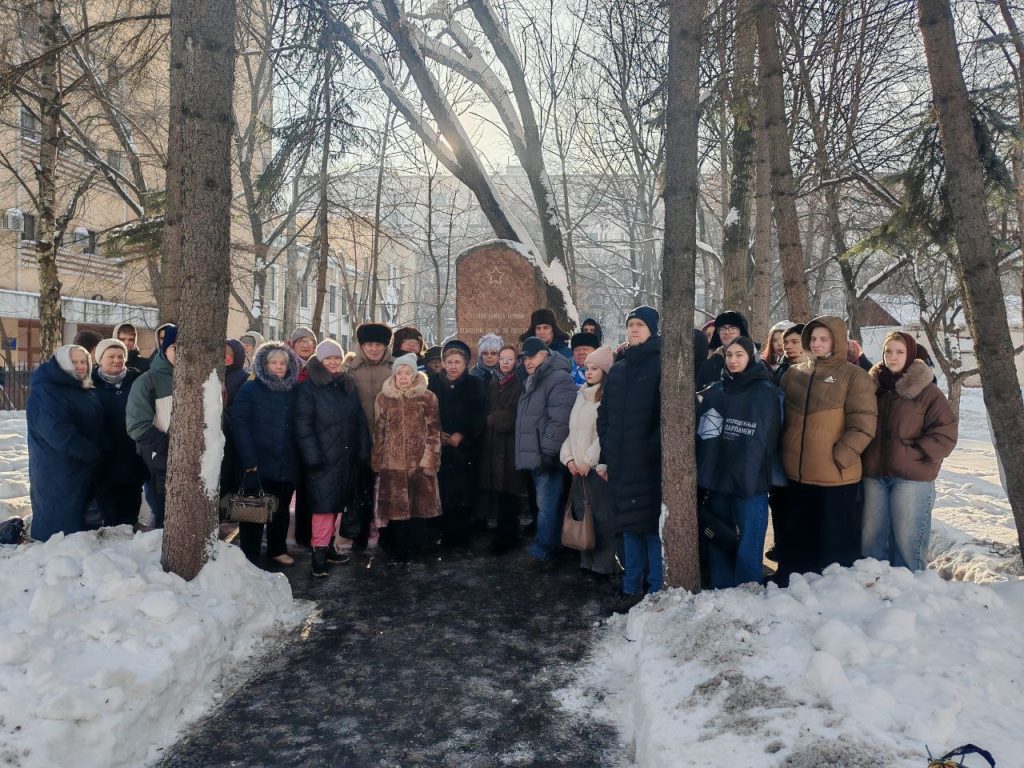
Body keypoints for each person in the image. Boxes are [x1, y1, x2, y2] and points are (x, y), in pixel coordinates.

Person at [777, 316, 877, 583]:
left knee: (835, 548)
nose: (817, 344)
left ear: (838, 341)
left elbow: (864, 425)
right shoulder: (795, 373)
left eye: (824, 339)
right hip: (797, 475)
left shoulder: (855, 377)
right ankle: (792, 583)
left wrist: (839, 457)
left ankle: (834, 592)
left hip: (836, 478)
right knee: (800, 540)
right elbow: (780, 418)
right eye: (813, 339)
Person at [861, 332, 957, 571]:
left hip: (912, 479)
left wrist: (915, 453)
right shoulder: (872, 388)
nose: (892, 357)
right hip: (874, 476)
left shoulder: (927, 392)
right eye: (888, 351)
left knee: (907, 543)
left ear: (911, 355)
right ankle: (871, 585)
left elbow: (945, 434)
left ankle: (910, 588)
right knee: (871, 541)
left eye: (899, 352)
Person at [696, 337, 781, 588]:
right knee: (719, 536)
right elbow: (705, 434)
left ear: (751, 357)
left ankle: (747, 587)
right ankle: (722, 586)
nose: (733, 360)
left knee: (750, 537)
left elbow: (770, 438)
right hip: (718, 478)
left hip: (751, 479)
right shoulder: (716, 391)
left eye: (739, 355)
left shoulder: (766, 392)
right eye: (729, 355)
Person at [598, 306, 663, 604]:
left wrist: (650, 449)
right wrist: (608, 447)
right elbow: (604, 415)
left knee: (651, 528)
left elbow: (667, 417)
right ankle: (631, 587)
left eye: (640, 324)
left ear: (652, 329)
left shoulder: (661, 364)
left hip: (648, 464)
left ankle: (656, 590)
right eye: (631, 324)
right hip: (621, 462)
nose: (634, 329)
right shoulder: (619, 369)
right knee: (628, 527)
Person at [294, 339, 370, 577]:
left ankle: (327, 547)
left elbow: (359, 419)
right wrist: (313, 456)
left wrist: (363, 449)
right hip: (322, 459)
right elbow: (303, 425)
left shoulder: (347, 384)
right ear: (320, 360)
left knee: (336, 503)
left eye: (337, 357)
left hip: (346, 457)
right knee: (323, 507)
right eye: (329, 358)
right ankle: (318, 554)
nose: (334, 362)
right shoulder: (309, 388)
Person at [230, 341, 302, 567]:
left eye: (283, 363)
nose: (279, 367)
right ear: (264, 364)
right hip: (258, 461)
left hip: (287, 460)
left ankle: (277, 549)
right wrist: (248, 458)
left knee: (280, 510)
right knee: (254, 509)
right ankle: (249, 554)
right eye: (273, 363)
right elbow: (239, 423)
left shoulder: (294, 389)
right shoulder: (250, 388)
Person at [26, 344, 104, 541]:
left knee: (76, 517)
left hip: (80, 464)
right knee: (59, 520)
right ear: (61, 364)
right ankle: (55, 553)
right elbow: (58, 432)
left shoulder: (80, 387)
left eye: (83, 361)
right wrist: (92, 453)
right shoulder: (46, 390)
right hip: (57, 467)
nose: (80, 366)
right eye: (74, 362)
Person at [372, 352, 442, 561]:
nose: (403, 377)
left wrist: (429, 460)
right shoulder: (383, 397)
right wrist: (378, 459)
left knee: (419, 508)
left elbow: (433, 432)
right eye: (399, 373)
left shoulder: (427, 397)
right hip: (392, 464)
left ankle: (417, 549)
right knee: (396, 509)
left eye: (408, 372)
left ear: (414, 375)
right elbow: (379, 432)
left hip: (419, 462)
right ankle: (398, 549)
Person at [515, 336, 577, 567]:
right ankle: (551, 546)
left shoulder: (558, 378)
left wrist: (548, 450)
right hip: (537, 453)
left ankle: (543, 550)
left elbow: (560, 419)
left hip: (545, 455)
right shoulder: (536, 378)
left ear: (545, 354)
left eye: (532, 357)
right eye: (524, 358)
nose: (527, 362)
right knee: (545, 505)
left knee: (547, 506)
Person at [561, 345, 617, 579]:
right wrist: (568, 459)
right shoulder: (580, 395)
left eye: (595, 368)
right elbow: (572, 432)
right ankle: (586, 560)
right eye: (587, 368)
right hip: (577, 469)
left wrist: (588, 461)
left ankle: (603, 564)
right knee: (581, 513)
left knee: (601, 517)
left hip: (595, 469)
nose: (589, 372)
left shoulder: (607, 398)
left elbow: (604, 435)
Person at [429, 339, 488, 548]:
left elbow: (480, 414)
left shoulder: (475, 384)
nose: (453, 366)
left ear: (465, 364)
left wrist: (462, 434)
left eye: (457, 362)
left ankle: (462, 536)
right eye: (449, 362)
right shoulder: (433, 383)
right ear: (443, 363)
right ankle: (443, 534)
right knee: (442, 490)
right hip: (440, 446)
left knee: (463, 492)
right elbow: (426, 411)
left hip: (465, 448)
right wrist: (437, 433)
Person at [344, 322, 394, 549]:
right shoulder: (350, 369)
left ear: (385, 346)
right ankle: (360, 536)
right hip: (360, 439)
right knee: (362, 489)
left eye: (379, 345)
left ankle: (388, 536)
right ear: (361, 346)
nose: (374, 349)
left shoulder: (395, 367)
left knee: (387, 490)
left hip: (389, 439)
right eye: (369, 344)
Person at [126, 324, 178, 528]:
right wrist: (171, 449)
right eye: (175, 347)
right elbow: (137, 425)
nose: (181, 353)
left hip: (196, 464)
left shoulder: (202, 379)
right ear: (165, 349)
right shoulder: (148, 381)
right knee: (165, 523)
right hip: (161, 463)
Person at [91, 339, 147, 528]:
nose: (117, 360)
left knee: (131, 503)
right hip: (104, 455)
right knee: (107, 507)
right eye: (111, 356)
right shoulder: (89, 384)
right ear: (100, 359)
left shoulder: (137, 380)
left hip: (133, 453)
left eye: (120, 356)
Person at [480, 345, 528, 554]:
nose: (505, 362)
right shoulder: (493, 381)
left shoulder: (519, 382)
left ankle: (507, 536)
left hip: (510, 445)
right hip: (493, 444)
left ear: (516, 361)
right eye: (502, 358)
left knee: (509, 492)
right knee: (500, 491)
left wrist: (496, 418)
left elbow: (519, 414)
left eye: (510, 358)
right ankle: (504, 533)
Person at [697, 310, 750, 389]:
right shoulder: (710, 365)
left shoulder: (756, 362)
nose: (726, 332)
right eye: (723, 328)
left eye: (732, 328)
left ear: (742, 331)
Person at [223, 339, 249, 407]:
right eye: (223, 354)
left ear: (238, 356)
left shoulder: (245, 377)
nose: (226, 357)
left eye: (230, 354)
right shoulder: (217, 373)